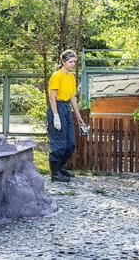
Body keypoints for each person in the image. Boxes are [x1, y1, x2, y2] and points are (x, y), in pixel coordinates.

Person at [47, 49, 85, 182]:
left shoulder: (71, 77)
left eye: (74, 61)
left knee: (70, 143)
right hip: (56, 107)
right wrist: (56, 116)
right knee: (59, 143)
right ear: (63, 62)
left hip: (66, 109)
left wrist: (79, 116)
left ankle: (61, 167)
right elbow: (52, 97)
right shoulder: (57, 76)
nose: (73, 64)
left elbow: (72, 98)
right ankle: (55, 173)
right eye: (70, 61)